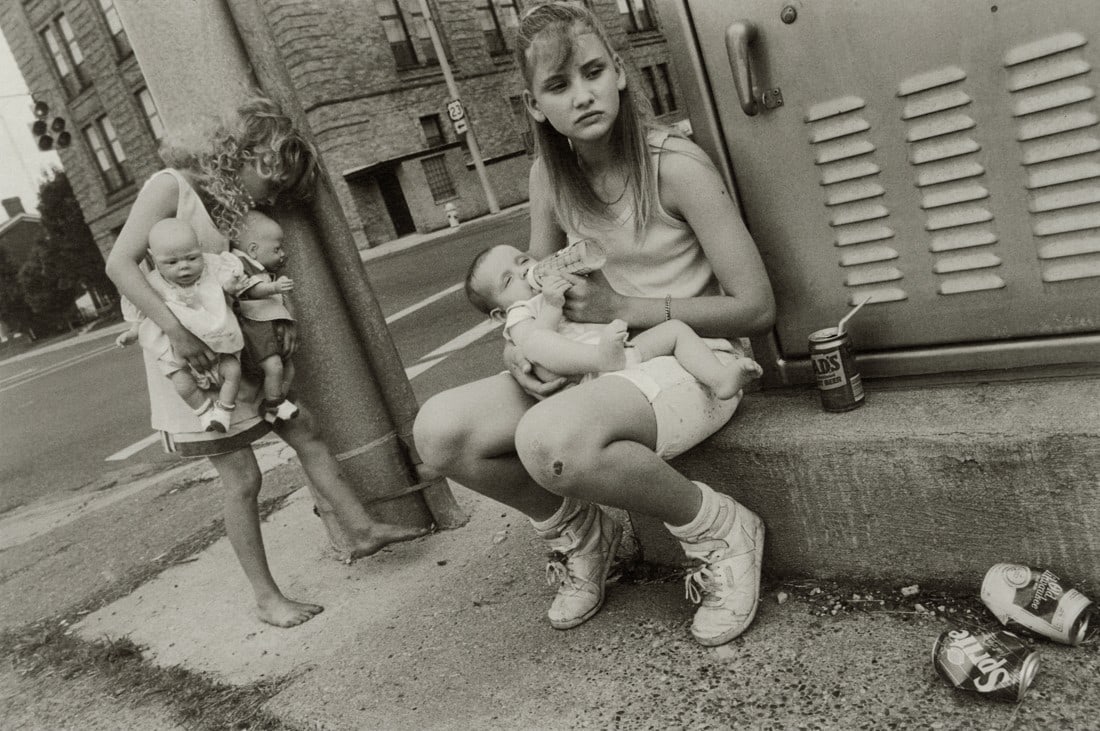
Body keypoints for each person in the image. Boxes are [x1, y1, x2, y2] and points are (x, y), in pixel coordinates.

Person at [414, 2, 776, 646]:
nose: (581, 96)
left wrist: (629, 311)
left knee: (549, 441)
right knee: (440, 433)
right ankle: (585, 535)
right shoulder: (549, 177)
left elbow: (756, 306)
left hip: (690, 355)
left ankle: (721, 530)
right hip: (599, 360)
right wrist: (519, 353)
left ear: (621, 73)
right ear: (533, 106)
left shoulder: (675, 166)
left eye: (591, 71)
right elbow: (538, 288)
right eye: (557, 86)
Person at [106, 97, 426, 628]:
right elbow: (119, 264)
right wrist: (174, 331)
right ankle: (266, 597)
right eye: (274, 184)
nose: (273, 199)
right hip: (190, 363)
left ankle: (362, 529)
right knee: (242, 479)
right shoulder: (169, 187)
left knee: (306, 429)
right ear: (254, 157)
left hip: (232, 349)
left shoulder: (223, 209)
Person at [465, 243, 763, 398]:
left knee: (674, 330)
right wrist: (552, 307)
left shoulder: (552, 282)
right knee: (539, 344)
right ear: (499, 314)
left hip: (623, 353)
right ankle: (602, 357)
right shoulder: (520, 312)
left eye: (523, 262)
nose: (522, 274)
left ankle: (719, 378)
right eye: (508, 281)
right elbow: (533, 345)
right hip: (584, 371)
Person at [132, 218, 245, 432]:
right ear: (154, 259)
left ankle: (224, 411)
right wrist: (133, 330)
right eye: (172, 263)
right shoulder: (153, 282)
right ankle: (203, 411)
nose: (184, 267)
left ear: (200, 249)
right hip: (181, 351)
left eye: (192, 258)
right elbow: (140, 308)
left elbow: (227, 279)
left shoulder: (211, 265)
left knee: (233, 371)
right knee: (182, 383)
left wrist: (232, 284)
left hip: (217, 339)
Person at [229, 209, 299, 425]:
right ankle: (273, 403)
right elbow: (252, 290)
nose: (282, 254)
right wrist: (274, 287)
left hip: (269, 327)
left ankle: (273, 406)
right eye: (276, 249)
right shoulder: (240, 265)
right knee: (274, 367)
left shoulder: (262, 267)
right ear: (253, 250)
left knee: (288, 368)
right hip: (256, 327)